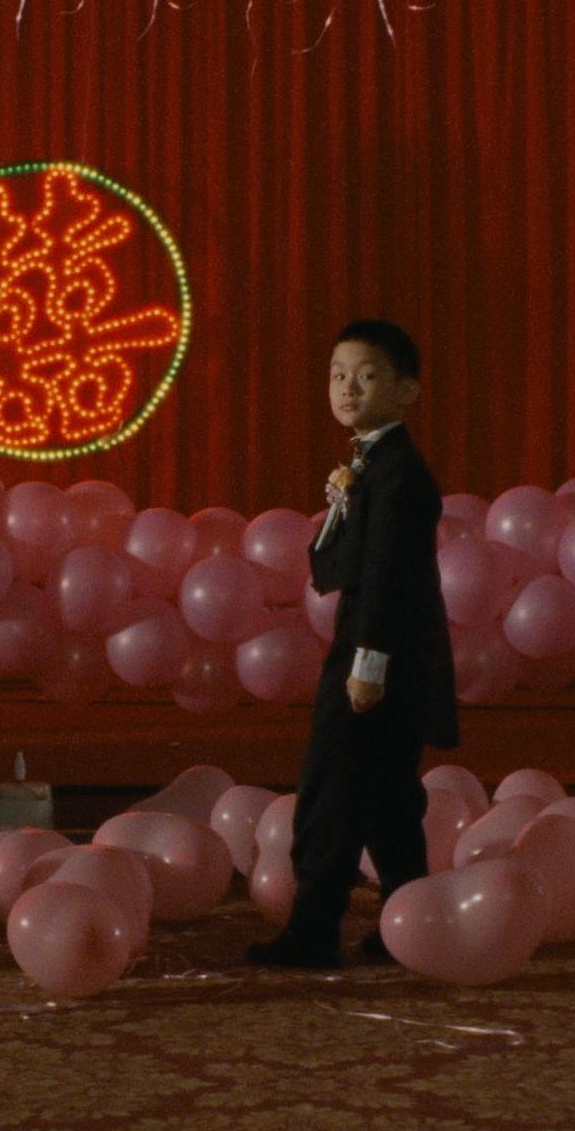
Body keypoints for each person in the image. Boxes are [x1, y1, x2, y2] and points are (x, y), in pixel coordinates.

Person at [249, 320, 458, 969]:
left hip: (379, 658)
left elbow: (383, 584)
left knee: (333, 790)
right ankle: (411, 925)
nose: (347, 388)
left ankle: (313, 933)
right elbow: (334, 570)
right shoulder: (373, 464)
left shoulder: (399, 475)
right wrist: (341, 502)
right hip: (385, 655)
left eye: (367, 376)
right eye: (338, 374)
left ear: (406, 392)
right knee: (389, 798)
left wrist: (367, 667)